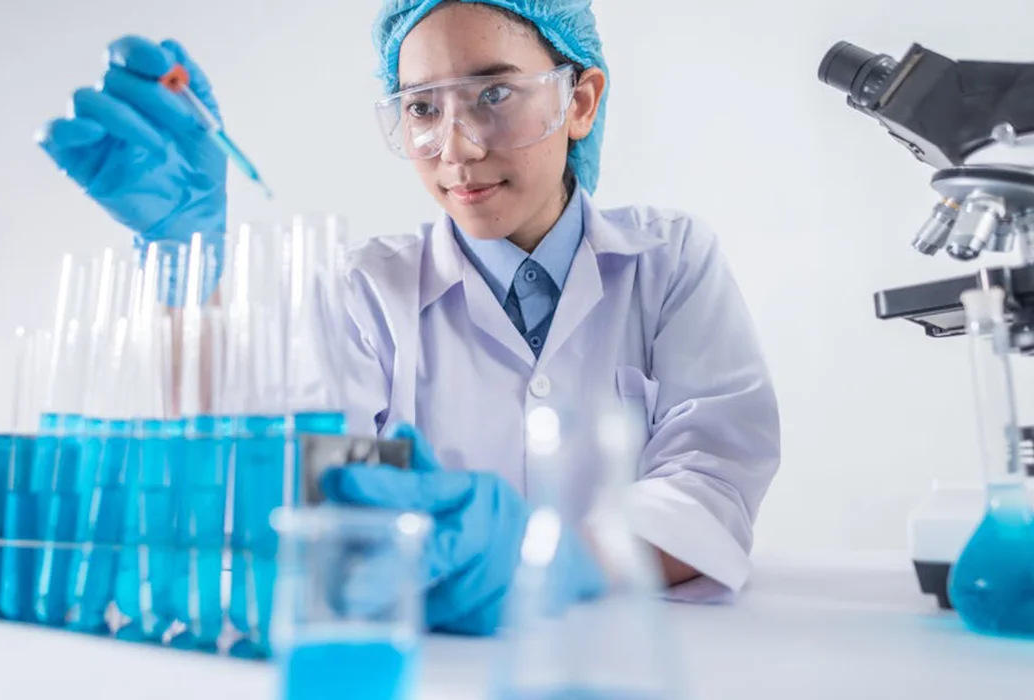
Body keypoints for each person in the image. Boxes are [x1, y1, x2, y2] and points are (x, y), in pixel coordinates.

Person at [38, 0, 781, 636]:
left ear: (578, 102)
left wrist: (559, 559)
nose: (455, 148)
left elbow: (713, 482)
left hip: (627, 656)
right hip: (431, 664)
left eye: (493, 95)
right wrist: (188, 274)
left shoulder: (670, 259)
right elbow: (280, 476)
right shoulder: (367, 289)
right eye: (423, 107)